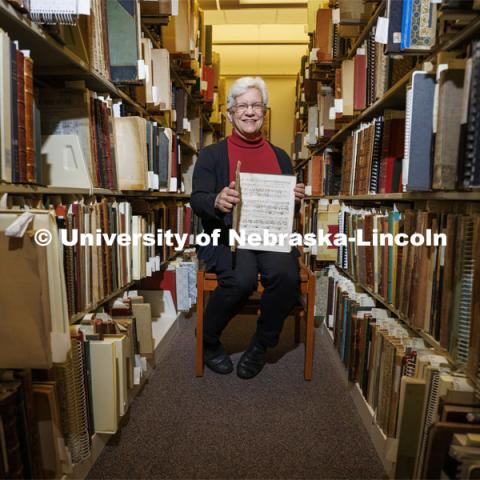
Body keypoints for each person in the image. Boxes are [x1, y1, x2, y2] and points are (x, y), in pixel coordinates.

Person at [191, 76, 305, 379]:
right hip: (227, 234)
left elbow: (286, 210)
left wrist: (294, 198)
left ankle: (261, 344)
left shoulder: (281, 156)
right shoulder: (211, 155)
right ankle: (208, 339)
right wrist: (216, 200)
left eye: (256, 105)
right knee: (240, 280)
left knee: (286, 276)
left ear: (264, 112)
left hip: (269, 235)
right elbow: (197, 199)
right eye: (243, 106)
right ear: (230, 113)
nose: (250, 111)